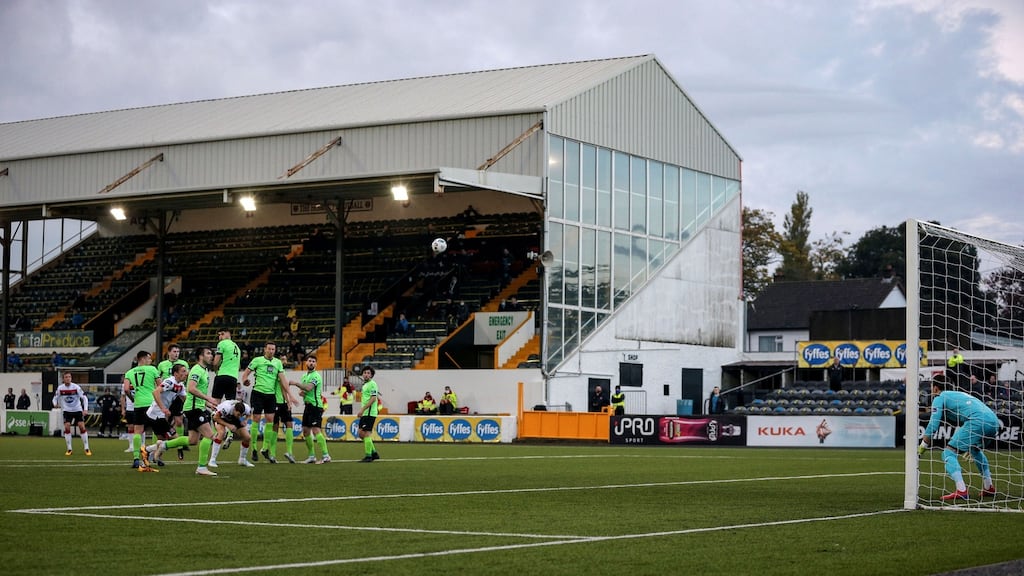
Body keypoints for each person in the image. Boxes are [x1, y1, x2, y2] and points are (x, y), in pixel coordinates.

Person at [919, 375, 1001, 500]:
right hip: (994, 421)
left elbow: (933, 424)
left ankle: (961, 490)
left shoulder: (940, 397)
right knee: (975, 450)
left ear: (935, 388)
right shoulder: (959, 394)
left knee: (948, 453)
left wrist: (922, 447)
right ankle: (988, 486)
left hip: (977, 421)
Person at [240, 341, 295, 465]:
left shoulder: (277, 363)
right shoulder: (257, 360)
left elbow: (283, 380)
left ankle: (264, 448)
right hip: (258, 393)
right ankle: (253, 448)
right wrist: (244, 380)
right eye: (269, 349)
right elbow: (246, 373)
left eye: (273, 349)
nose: (271, 351)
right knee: (257, 418)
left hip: (271, 395)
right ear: (265, 349)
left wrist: (290, 396)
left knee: (270, 420)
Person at [139, 363, 191, 468]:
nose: (186, 373)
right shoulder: (169, 382)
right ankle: (148, 451)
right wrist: (163, 408)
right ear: (176, 373)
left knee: (161, 440)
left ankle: (148, 458)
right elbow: (155, 392)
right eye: (183, 371)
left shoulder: (180, 385)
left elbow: (186, 399)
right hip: (156, 415)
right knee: (175, 438)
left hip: (157, 415)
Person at [182, 346, 222, 476]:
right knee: (210, 435)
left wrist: (208, 404)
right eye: (208, 353)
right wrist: (208, 398)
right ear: (201, 356)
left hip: (198, 407)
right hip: (194, 409)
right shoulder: (196, 370)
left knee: (192, 440)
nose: (211, 356)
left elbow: (197, 392)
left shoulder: (204, 371)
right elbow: (191, 389)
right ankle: (201, 467)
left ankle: (159, 446)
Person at [123, 350, 164, 471]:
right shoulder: (152, 369)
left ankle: (136, 459)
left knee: (138, 431)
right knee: (158, 431)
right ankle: (153, 455)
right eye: (149, 358)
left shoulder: (129, 372)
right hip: (152, 403)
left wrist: (133, 398)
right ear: (143, 359)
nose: (150, 361)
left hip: (139, 404)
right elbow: (161, 386)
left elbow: (126, 389)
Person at [290, 355, 331, 464]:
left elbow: (308, 387)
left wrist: (295, 384)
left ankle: (326, 455)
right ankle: (312, 456)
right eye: (310, 361)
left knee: (316, 430)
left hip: (316, 406)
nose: (311, 363)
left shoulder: (316, 376)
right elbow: (305, 391)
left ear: (316, 364)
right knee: (305, 430)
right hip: (308, 406)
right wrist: (301, 393)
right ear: (306, 363)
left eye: (313, 361)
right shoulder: (304, 376)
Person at [157, 343, 190, 457]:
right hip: (166, 395)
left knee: (179, 421)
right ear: (169, 352)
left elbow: (187, 377)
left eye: (178, 352)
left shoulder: (183, 364)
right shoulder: (162, 365)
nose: (176, 354)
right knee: (161, 421)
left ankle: (179, 447)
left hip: (178, 394)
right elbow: (158, 379)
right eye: (174, 351)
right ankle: (160, 445)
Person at [212, 328, 242, 449]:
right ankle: (230, 432)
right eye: (219, 334)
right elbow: (239, 365)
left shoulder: (222, 344)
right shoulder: (237, 348)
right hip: (233, 378)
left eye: (221, 334)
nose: (220, 336)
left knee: (215, 404)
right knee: (231, 406)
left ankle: (216, 432)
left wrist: (216, 371)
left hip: (222, 376)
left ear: (227, 334)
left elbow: (215, 362)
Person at [208, 399, 255, 469]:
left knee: (247, 437)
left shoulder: (246, 408)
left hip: (232, 418)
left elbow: (249, 414)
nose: (240, 416)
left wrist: (245, 420)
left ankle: (242, 459)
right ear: (234, 409)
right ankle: (212, 460)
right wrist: (228, 425)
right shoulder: (226, 407)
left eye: (241, 415)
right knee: (221, 433)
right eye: (238, 414)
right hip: (220, 417)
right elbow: (216, 417)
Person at [53, 371, 91, 456]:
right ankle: (69, 449)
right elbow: (55, 398)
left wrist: (85, 409)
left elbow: (84, 398)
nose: (68, 378)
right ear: (63, 379)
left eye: (69, 377)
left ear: (71, 378)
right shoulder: (60, 388)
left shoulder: (76, 387)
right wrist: (55, 404)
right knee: (67, 427)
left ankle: (86, 448)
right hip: (67, 410)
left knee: (81, 426)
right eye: (66, 377)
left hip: (77, 409)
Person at [357, 366, 381, 463]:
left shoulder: (372, 384)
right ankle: (374, 453)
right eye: (365, 372)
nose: (366, 374)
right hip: (365, 413)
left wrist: (362, 409)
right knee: (361, 433)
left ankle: (368, 456)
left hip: (370, 413)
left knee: (366, 433)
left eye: (368, 373)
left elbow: (373, 398)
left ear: (371, 375)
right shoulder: (365, 385)